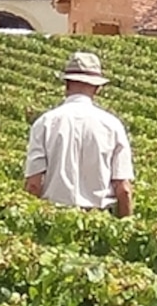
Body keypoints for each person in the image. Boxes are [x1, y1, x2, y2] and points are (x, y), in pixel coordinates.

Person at [24, 49, 134, 217]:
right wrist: (126, 225)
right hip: (100, 219)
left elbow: (33, 185)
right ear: (97, 88)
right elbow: (124, 190)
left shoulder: (44, 123)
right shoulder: (112, 126)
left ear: (66, 84)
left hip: (54, 217)